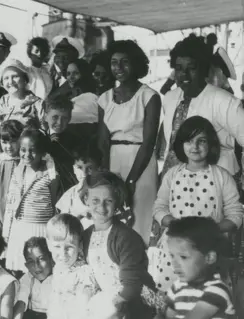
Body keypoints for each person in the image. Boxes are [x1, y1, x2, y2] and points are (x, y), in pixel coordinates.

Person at [152, 116, 243, 292]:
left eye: (201, 141)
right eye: (189, 141)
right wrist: (177, 225)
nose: (195, 147)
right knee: (175, 299)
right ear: (181, 144)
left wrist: (211, 229)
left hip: (208, 250)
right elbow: (159, 207)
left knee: (207, 298)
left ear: (211, 145)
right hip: (175, 250)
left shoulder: (222, 176)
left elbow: (236, 214)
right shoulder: (172, 175)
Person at [98, 40, 161, 245]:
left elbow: (149, 142)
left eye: (125, 62)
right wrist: (107, 178)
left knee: (139, 219)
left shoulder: (149, 96)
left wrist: (131, 181)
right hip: (114, 164)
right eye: (114, 62)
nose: (119, 68)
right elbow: (103, 143)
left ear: (136, 64)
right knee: (113, 218)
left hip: (141, 165)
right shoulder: (104, 99)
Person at [160, 34, 244, 183]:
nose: (184, 74)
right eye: (179, 69)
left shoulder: (224, 101)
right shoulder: (170, 99)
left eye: (191, 68)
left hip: (217, 182)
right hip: (177, 181)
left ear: (204, 69)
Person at [81, 171, 160, 318]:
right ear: (86, 199)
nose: (102, 207)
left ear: (117, 201)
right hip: (107, 297)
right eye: (95, 200)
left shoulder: (126, 237)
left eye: (108, 201)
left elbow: (132, 285)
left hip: (133, 299)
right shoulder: (86, 235)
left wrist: (112, 309)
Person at [4, 128, 61, 272]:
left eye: (33, 150)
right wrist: (6, 232)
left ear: (42, 152)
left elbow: (56, 206)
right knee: (20, 270)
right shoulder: (17, 172)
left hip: (40, 230)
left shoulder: (50, 176)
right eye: (23, 150)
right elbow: (10, 206)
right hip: (19, 229)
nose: (27, 154)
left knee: (40, 270)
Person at [164, 217, 235, 318]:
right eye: (172, 256)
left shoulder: (218, 290)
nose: (174, 263)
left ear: (209, 257)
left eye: (183, 257)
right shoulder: (177, 287)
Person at [45, 214, 97, 319]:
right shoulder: (59, 268)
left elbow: (83, 311)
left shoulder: (83, 275)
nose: (63, 253)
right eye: (57, 246)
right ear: (49, 245)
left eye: (69, 247)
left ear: (80, 245)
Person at [0, 120, 25, 226]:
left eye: (13, 141)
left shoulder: (26, 162)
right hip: (0, 217)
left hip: (23, 217)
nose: (9, 146)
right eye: (4, 142)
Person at [0, 58, 44, 129]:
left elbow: (45, 131)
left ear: (25, 79)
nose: (10, 82)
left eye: (15, 76)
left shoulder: (38, 105)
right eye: (6, 78)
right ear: (2, 83)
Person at [56, 142, 102, 229]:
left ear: (99, 169)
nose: (84, 173)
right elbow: (62, 224)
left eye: (90, 168)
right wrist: (79, 216)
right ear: (74, 168)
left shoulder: (107, 192)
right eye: (79, 168)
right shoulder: (70, 194)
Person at [42, 97, 79, 192]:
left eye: (65, 118)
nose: (59, 122)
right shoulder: (39, 137)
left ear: (70, 118)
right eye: (55, 117)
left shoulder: (76, 141)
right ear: (45, 116)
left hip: (67, 188)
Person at [14, 237, 54, 319]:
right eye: (31, 261)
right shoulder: (28, 277)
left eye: (41, 259)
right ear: (26, 265)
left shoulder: (59, 277)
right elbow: (21, 301)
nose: (36, 266)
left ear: (51, 259)